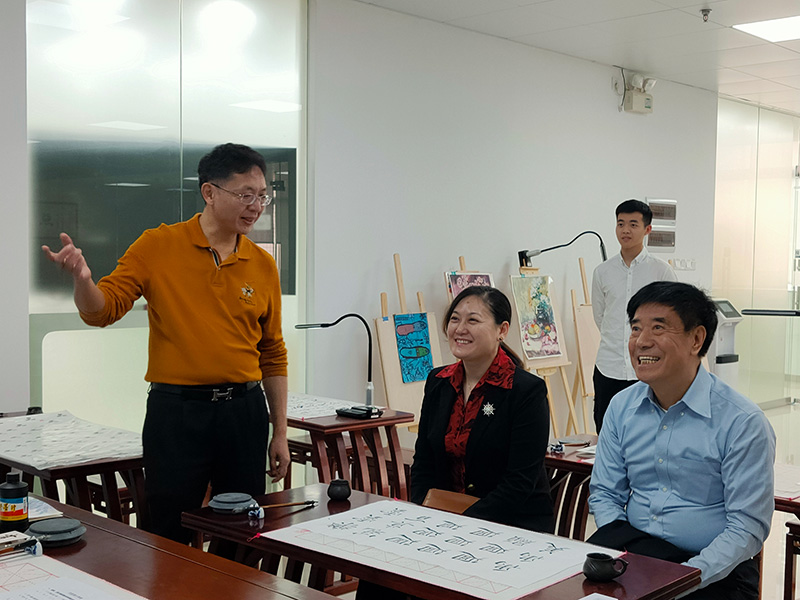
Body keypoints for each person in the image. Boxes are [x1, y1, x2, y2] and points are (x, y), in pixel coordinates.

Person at [41, 143, 290, 544]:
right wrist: (83, 280)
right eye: (246, 195)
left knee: (243, 532)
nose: (256, 206)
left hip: (243, 413)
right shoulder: (158, 245)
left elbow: (273, 353)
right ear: (209, 192)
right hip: (177, 414)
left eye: (262, 196)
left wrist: (279, 430)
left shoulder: (262, 265)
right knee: (167, 532)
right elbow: (102, 311)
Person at [356, 286, 553, 600]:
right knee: (379, 568)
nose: (460, 328)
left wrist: (460, 525)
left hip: (509, 523)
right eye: (455, 319)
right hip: (445, 518)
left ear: (502, 330)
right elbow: (423, 461)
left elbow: (520, 483)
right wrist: (424, 513)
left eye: (473, 320)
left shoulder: (525, 391)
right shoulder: (439, 381)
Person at [588, 281, 775, 600]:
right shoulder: (621, 407)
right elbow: (605, 493)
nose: (641, 341)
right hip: (633, 556)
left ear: (696, 339)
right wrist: (620, 549)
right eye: (636, 328)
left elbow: (746, 527)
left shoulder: (742, 421)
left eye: (658, 328)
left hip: (713, 571)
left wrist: (683, 579)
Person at [591, 199, 676, 432]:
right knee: (606, 432)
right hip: (609, 367)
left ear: (647, 229)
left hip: (650, 368)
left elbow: (671, 319)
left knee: (649, 433)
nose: (625, 230)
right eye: (620, 224)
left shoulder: (661, 271)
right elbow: (601, 317)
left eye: (633, 224)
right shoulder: (602, 272)